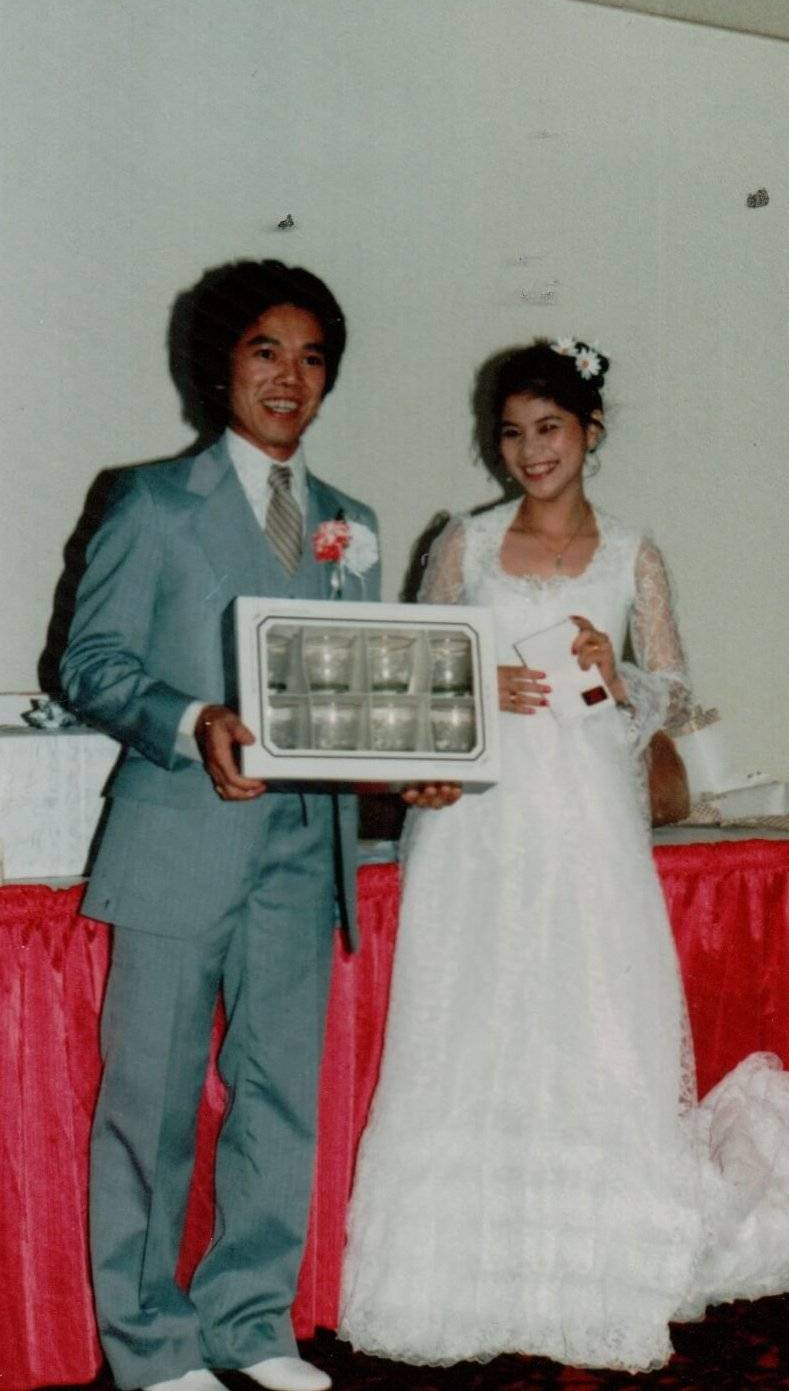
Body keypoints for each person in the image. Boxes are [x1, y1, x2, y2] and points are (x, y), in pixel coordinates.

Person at [337, 339, 789, 1373]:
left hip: (585, 818)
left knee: (589, 1020)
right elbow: (417, 672)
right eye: (511, 433)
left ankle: (595, 1266)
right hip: (481, 825)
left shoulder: (631, 551)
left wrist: (616, 669)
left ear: (589, 431)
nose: (529, 450)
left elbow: (675, 691)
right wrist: (479, 685)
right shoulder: (466, 541)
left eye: (548, 428)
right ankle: (462, 1275)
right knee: (475, 1015)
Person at [60, 259, 454, 1391]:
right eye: (265, 352)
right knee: (153, 1104)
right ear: (219, 365)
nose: (290, 378)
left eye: (313, 357)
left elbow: (362, 698)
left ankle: (252, 1323)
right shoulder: (149, 502)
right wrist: (191, 722)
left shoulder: (353, 523)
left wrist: (409, 770)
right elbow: (89, 664)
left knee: (281, 1093)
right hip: (180, 838)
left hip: (305, 852)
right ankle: (150, 1346)